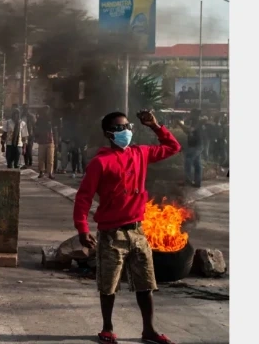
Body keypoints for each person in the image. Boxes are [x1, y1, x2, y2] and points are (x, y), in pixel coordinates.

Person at [72, 110, 180, 344]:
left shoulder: (140, 153)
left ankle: (149, 330)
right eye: (121, 128)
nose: (127, 131)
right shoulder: (100, 163)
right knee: (108, 284)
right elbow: (83, 198)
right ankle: (107, 328)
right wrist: (82, 229)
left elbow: (173, 147)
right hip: (111, 233)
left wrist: (155, 126)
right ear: (109, 133)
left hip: (138, 231)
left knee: (146, 283)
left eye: (129, 126)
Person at [35, 106, 56, 179]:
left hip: (50, 141)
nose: (47, 112)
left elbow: (55, 130)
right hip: (42, 141)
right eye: (45, 110)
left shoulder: (52, 119)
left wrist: (56, 140)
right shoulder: (39, 119)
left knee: (50, 158)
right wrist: (36, 138)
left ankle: (50, 173)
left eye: (48, 110)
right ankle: (41, 172)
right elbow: (36, 129)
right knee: (41, 158)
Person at [183, 119, 204, 188]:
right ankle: (197, 182)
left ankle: (188, 181)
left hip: (194, 147)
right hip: (199, 146)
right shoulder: (200, 125)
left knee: (188, 162)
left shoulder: (196, 124)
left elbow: (189, 131)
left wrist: (179, 124)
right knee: (197, 165)